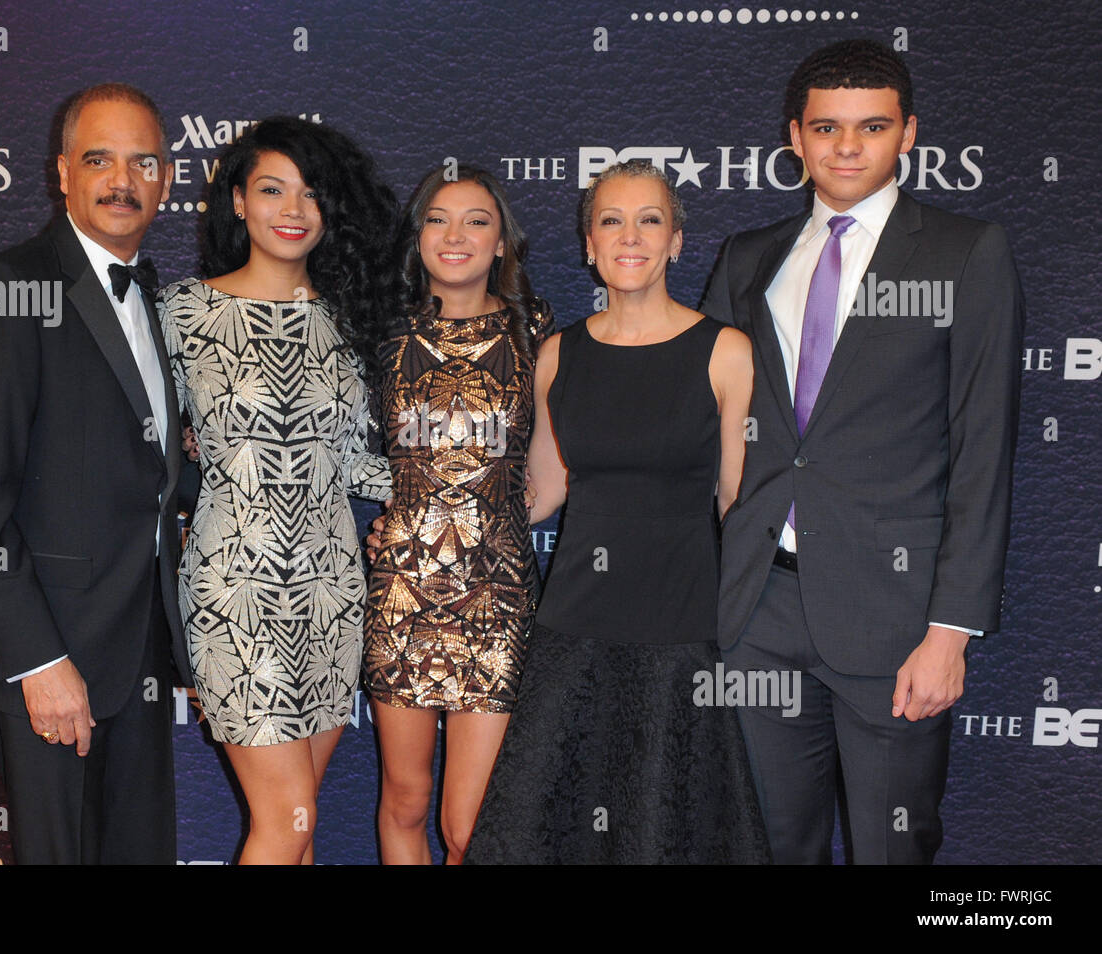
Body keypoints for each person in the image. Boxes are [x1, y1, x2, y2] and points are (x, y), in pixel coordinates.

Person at [699, 39, 1024, 864]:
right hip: (758, 611)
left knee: (892, 850)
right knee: (768, 846)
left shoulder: (964, 252)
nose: (847, 147)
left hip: (897, 620)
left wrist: (949, 632)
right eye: (827, 128)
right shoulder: (750, 258)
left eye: (871, 126)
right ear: (795, 138)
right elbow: (702, 430)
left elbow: (984, 447)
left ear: (908, 134)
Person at [466, 160, 770, 863]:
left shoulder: (724, 352)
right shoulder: (557, 354)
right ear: (588, 244)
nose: (629, 236)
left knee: (659, 837)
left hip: (681, 635)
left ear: (675, 242)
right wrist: (442, 508)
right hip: (573, 632)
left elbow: (736, 501)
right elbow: (543, 492)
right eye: (611, 220)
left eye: (649, 220)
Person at [0, 83, 189, 864]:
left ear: (167, 180)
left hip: (138, 651)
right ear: (62, 173)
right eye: (99, 160)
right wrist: (39, 664)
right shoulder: (7, 289)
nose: (122, 180)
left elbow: (155, 477)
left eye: (142, 162)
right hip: (49, 662)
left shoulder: (155, 294)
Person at [159, 116, 395, 864]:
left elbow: (356, 464)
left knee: (301, 822)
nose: (293, 208)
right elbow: (144, 444)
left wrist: (453, 490)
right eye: (271, 189)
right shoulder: (182, 313)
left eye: (310, 193)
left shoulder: (346, 321)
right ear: (236, 201)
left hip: (332, 593)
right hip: (235, 591)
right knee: (284, 812)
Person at [364, 166, 553, 865]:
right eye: (438, 218)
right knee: (405, 802)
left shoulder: (534, 331)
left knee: (470, 827)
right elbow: (336, 441)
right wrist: (394, 508)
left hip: (496, 598)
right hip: (402, 593)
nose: (456, 235)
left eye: (477, 220)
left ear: (502, 242)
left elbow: (554, 462)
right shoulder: (384, 335)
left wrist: (507, 510)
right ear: (418, 239)